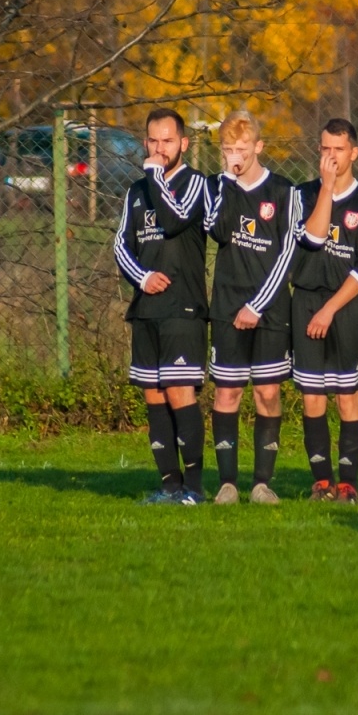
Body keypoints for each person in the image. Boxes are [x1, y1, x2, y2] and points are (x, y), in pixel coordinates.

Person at [114, 108, 212, 505]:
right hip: (146, 309)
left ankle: (195, 488)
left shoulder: (195, 184)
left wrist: (155, 175)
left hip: (183, 308)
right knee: (153, 396)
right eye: (153, 141)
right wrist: (142, 278)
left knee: (178, 392)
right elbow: (121, 244)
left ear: (183, 144)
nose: (159, 148)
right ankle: (169, 487)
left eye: (167, 141)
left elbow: (173, 220)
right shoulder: (135, 191)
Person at [203, 110, 301, 504]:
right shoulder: (218, 186)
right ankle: (228, 483)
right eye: (227, 150)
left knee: (267, 393)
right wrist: (227, 182)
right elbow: (216, 229)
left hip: (270, 309)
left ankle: (262, 483)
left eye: (241, 149)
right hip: (227, 304)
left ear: (259, 147)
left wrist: (258, 305)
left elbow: (289, 253)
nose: (235, 156)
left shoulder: (283, 191)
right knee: (226, 393)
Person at [291, 118, 358, 503]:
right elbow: (307, 241)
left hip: (345, 306)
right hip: (307, 299)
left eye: (338, 149)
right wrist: (326, 189)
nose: (330, 156)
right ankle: (321, 482)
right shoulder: (303, 194)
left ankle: (347, 484)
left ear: (354, 153)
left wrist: (330, 308)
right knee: (312, 395)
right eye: (325, 148)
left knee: (347, 395)